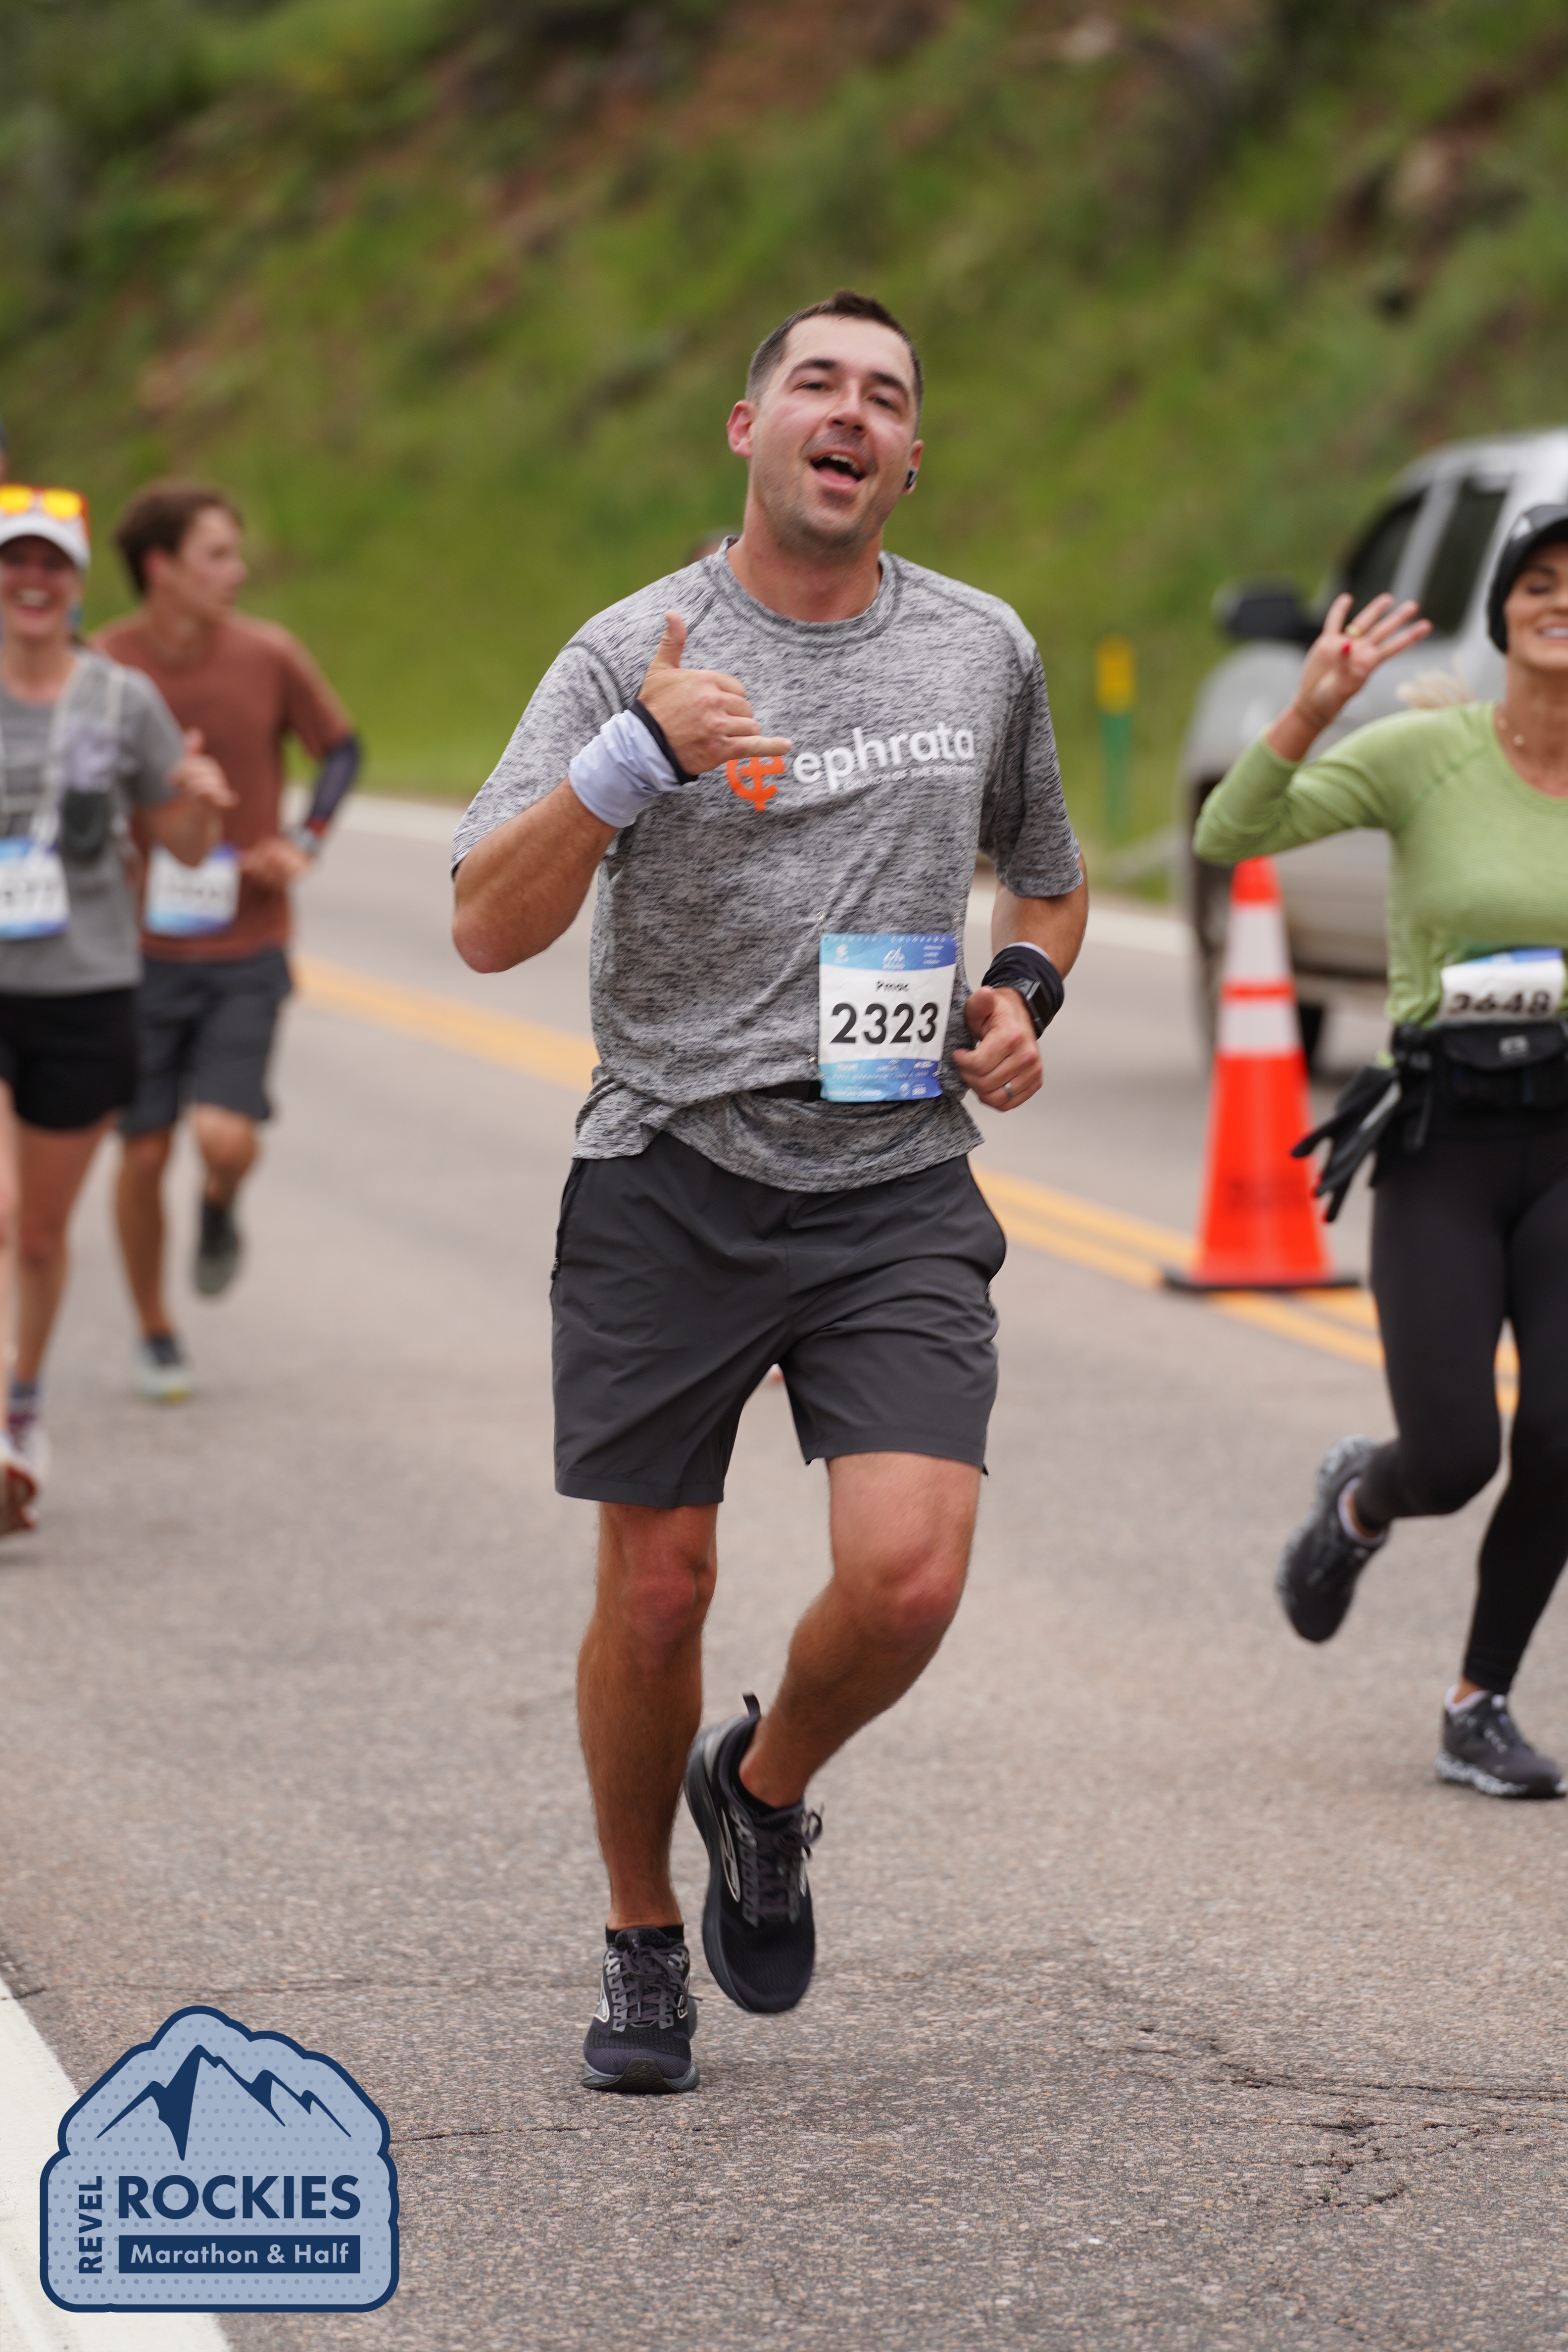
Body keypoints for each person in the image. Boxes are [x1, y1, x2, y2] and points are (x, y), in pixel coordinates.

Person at [452, 289, 1087, 2092]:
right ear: (750, 429)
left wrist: (1018, 996)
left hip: (892, 1176)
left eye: (884, 395)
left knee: (907, 1581)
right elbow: (486, 921)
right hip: (670, 1169)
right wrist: (632, 758)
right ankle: (641, 1933)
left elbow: (1047, 881)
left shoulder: (978, 648)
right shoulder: (627, 652)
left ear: (908, 457)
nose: (849, 412)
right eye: (816, 382)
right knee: (658, 1591)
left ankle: (759, 1787)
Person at [1195, 504, 1568, 1800]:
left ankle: (1479, 1704)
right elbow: (1230, 835)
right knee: (1456, 1456)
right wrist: (1312, 708)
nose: (1561, 600)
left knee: (1565, 1437)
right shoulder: (1426, 754)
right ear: (1505, 608)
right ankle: (1362, 1500)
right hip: (1444, 1144)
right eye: (1540, 579)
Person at [96, 483, 359, 1401]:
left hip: (248, 942)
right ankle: (155, 1331)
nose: (237, 571)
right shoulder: (105, 667)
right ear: (161, 567)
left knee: (225, 1139)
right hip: (131, 954)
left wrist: (305, 839)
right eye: (216, 555)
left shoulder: (268, 654)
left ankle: (220, 1206)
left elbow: (342, 748)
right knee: (141, 1153)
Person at [0, 485, 232, 1526]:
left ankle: (22, 1407)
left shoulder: (119, 700)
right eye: (14, 560)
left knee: (39, 1236)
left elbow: (180, 841)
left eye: (50, 563)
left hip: (84, 989)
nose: (31, 580)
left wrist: (199, 803)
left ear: (78, 581)